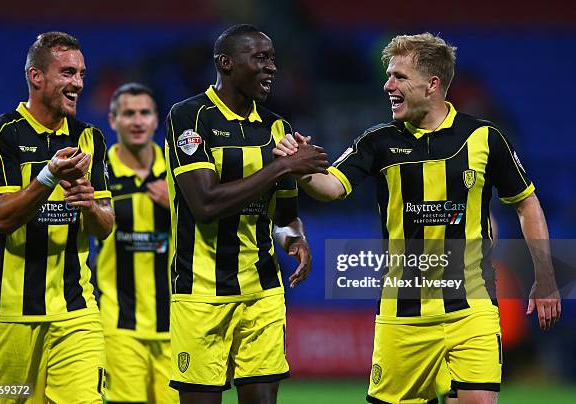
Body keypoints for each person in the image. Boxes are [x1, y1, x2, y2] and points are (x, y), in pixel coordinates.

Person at [274, 33, 560, 404]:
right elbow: (330, 187)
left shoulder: (484, 137)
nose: (387, 85)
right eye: (388, 75)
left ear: (432, 85)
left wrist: (546, 277)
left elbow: (527, 204)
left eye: (399, 77)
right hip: (402, 315)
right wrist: (298, 166)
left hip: (471, 309)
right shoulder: (377, 141)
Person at [164, 24, 329, 404]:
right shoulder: (190, 117)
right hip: (200, 292)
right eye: (260, 58)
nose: (271, 68)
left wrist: (295, 240)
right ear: (226, 63)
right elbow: (204, 204)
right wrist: (283, 167)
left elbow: (284, 215)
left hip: (262, 292)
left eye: (272, 59)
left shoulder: (277, 127)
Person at [0, 32, 114, 403]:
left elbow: (105, 226)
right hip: (10, 318)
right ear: (36, 77)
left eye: (81, 74)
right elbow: (1, 217)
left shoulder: (92, 139)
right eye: (68, 73)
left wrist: (89, 205)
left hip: (76, 312)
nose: (78, 84)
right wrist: (48, 177)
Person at [95, 82, 179, 403]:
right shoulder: (99, 174)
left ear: (157, 120)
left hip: (176, 324)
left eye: (144, 113)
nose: (137, 121)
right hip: (118, 324)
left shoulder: (178, 171)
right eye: (128, 113)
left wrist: (176, 203)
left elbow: (213, 221)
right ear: (113, 120)